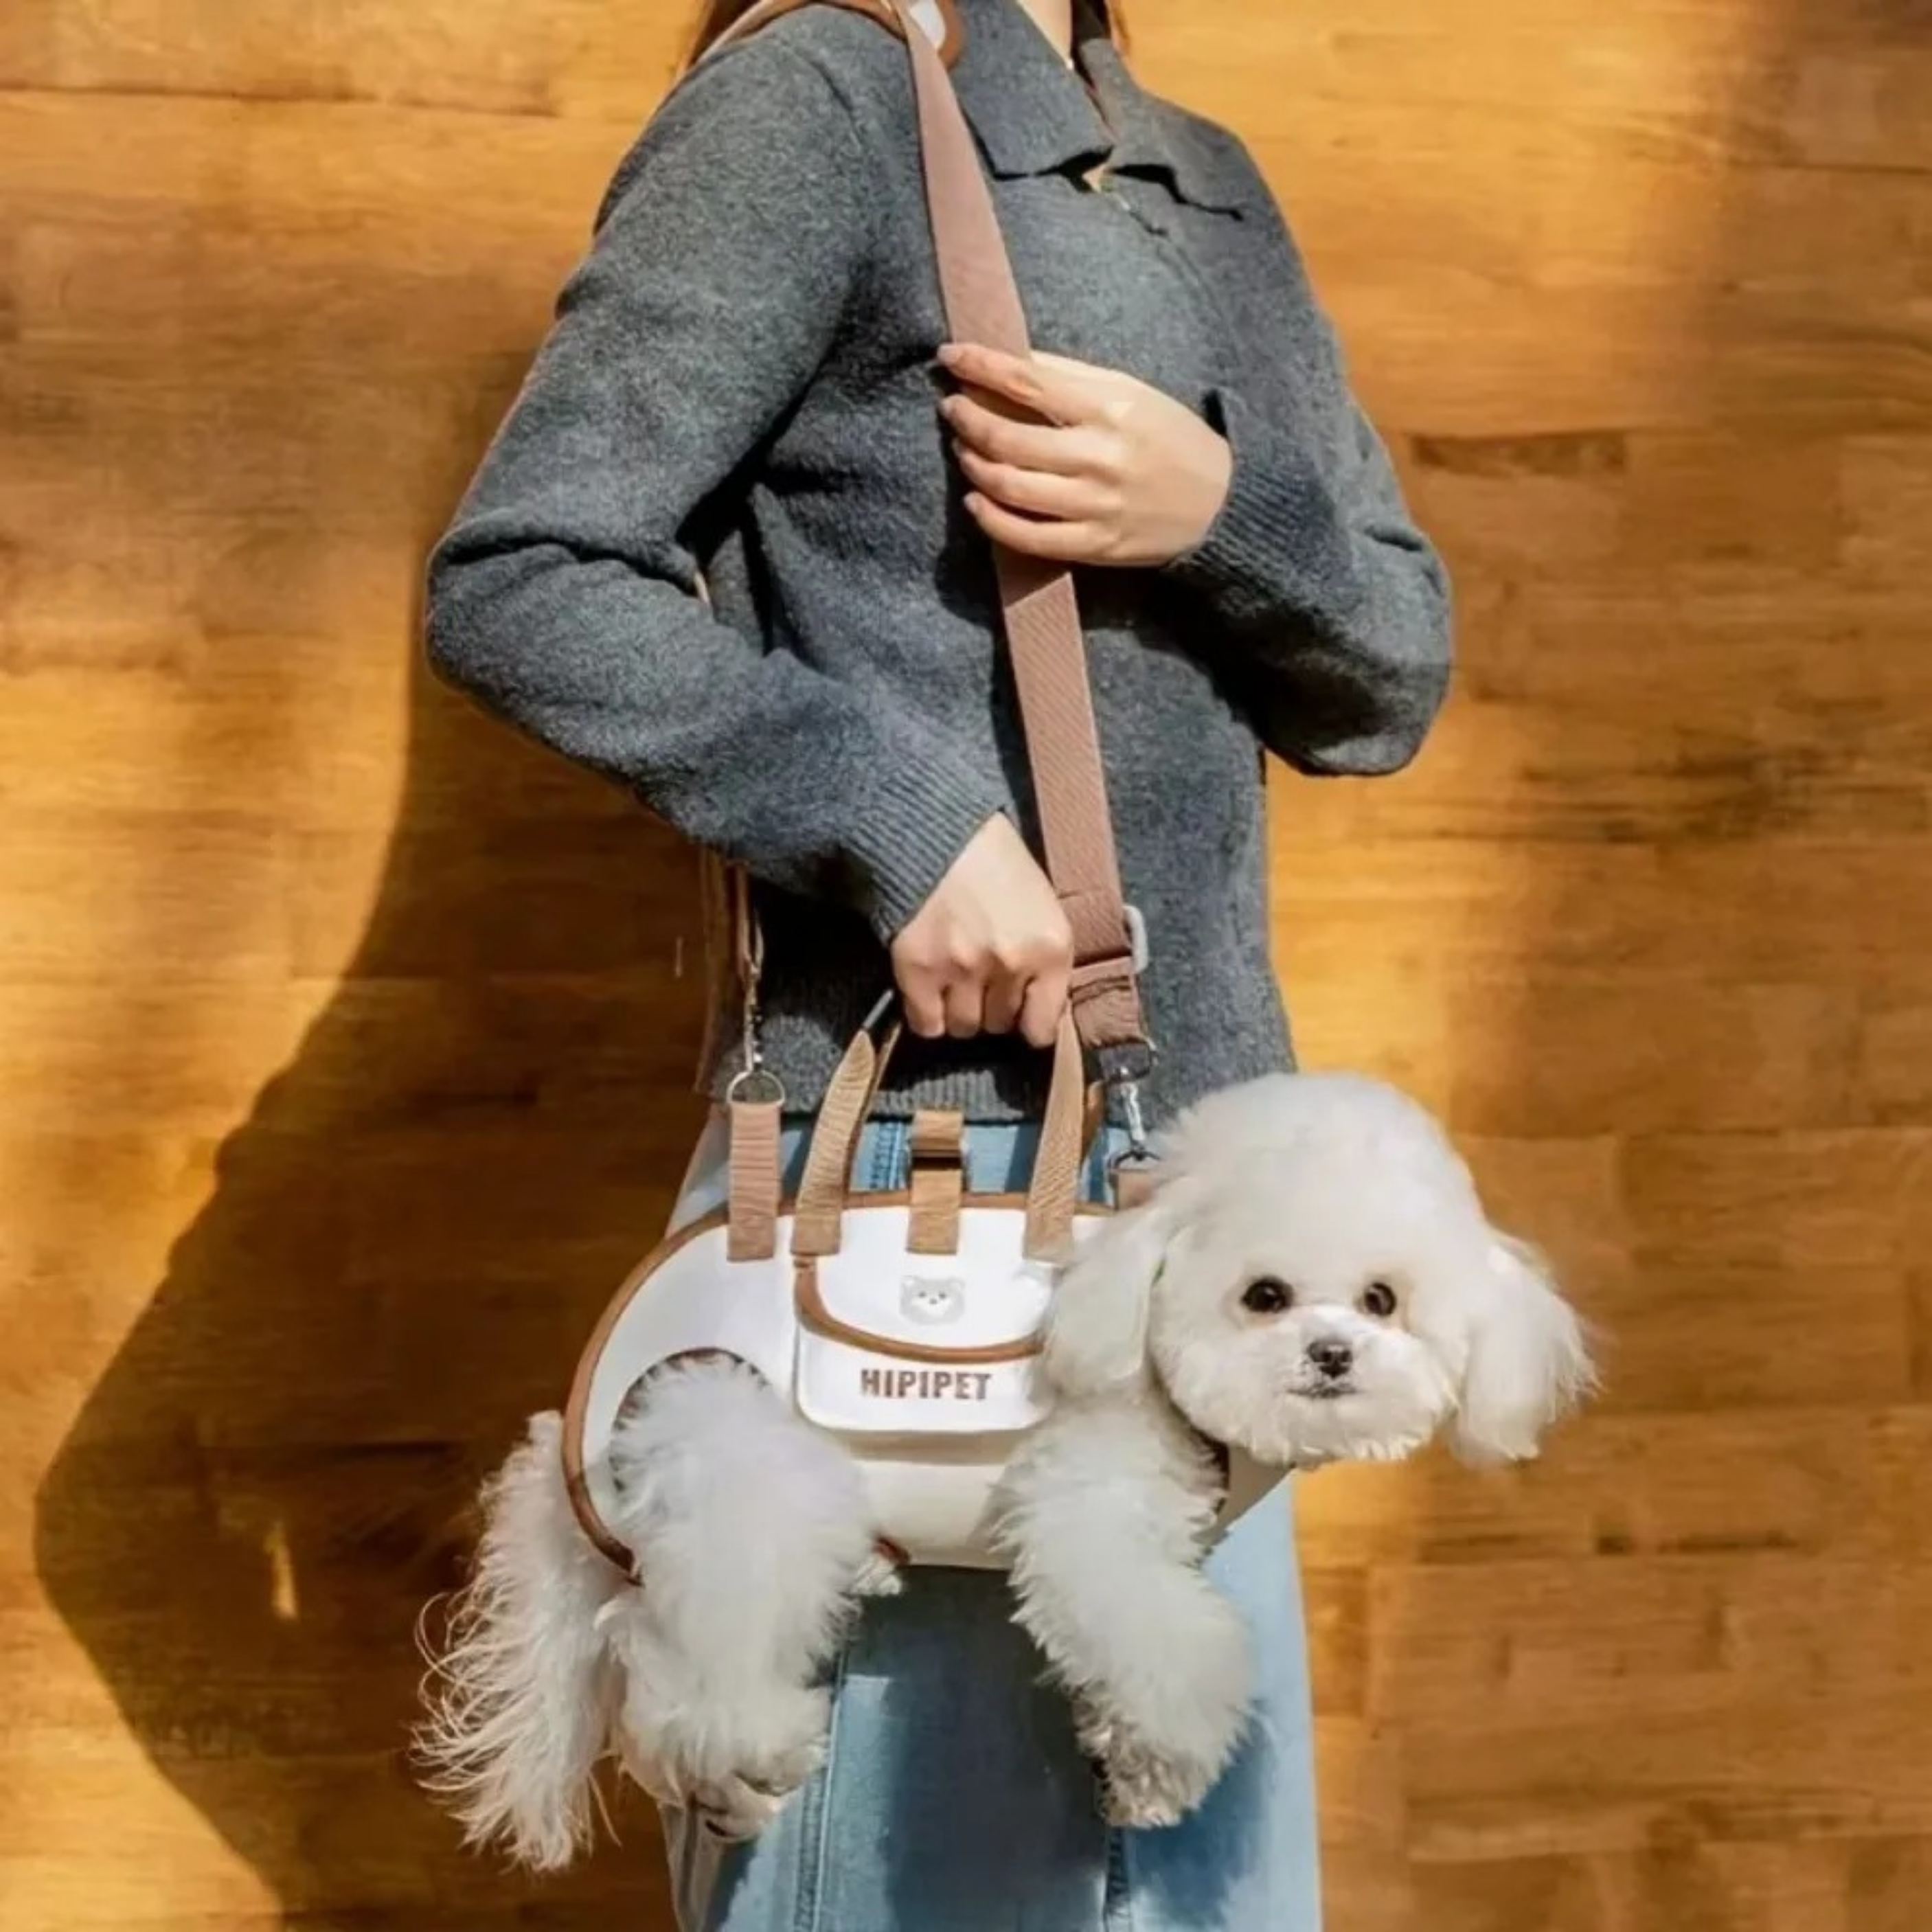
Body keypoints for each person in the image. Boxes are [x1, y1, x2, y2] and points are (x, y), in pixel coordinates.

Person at [424, 0, 1452, 1924]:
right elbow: (527, 571)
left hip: (1202, 1243)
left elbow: (1389, 671)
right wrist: (899, 823)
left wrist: (1216, 513)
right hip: (917, 1202)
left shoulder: (1197, 171)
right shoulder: (814, 100)